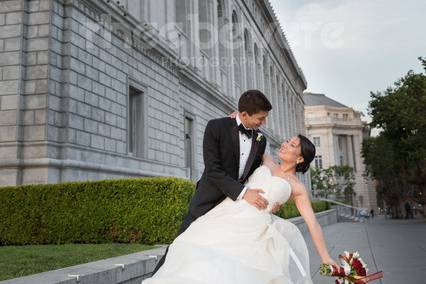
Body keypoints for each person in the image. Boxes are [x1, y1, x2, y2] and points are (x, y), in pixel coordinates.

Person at [143, 135, 337, 284]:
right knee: (199, 257)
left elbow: (313, 223)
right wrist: (234, 118)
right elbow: (247, 134)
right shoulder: (266, 160)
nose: (285, 144)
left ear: (301, 158)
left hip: (255, 229)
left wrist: (326, 257)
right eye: (287, 141)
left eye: (292, 145)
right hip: (226, 214)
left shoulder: (298, 188)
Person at [152, 90, 278, 274]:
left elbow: (255, 173)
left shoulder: (261, 139)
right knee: (180, 245)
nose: (263, 123)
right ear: (244, 114)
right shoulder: (215, 127)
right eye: (260, 118)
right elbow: (213, 170)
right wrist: (244, 192)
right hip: (208, 200)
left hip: (233, 209)